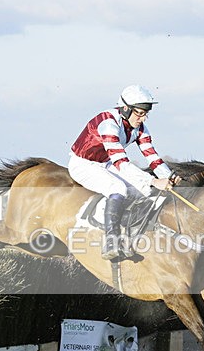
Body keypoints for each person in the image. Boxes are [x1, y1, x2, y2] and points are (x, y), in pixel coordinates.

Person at [69, 85, 182, 260]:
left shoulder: (141, 128)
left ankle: (129, 236)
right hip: (83, 164)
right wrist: (153, 180)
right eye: (139, 113)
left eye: (146, 113)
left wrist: (167, 177)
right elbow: (121, 163)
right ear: (125, 109)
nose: (143, 117)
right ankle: (110, 241)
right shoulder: (108, 124)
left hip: (105, 163)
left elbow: (152, 157)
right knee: (118, 188)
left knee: (145, 191)